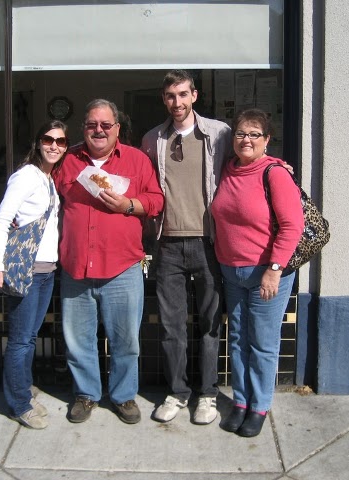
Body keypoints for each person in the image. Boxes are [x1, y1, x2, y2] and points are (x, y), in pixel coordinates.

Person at [54, 99, 164, 425]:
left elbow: (156, 201)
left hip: (122, 268)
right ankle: (86, 394)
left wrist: (128, 205)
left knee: (126, 341)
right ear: (83, 128)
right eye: (92, 125)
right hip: (76, 267)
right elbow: (42, 187)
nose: (98, 130)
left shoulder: (137, 159)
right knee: (78, 341)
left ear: (117, 128)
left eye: (105, 125)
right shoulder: (67, 159)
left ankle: (123, 396)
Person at [141, 70, 232, 425]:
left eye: (182, 94)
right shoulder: (153, 139)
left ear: (194, 95)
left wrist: (274, 164)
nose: (176, 102)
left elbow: (243, 166)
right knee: (172, 326)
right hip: (168, 244)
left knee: (210, 324)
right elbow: (145, 186)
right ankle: (177, 392)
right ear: (163, 99)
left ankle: (207, 395)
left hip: (208, 243)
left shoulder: (220, 133)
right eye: (170, 96)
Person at [211, 108, 304, 437]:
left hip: (266, 273)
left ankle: (260, 405)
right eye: (240, 133)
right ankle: (241, 401)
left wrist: (274, 270)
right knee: (238, 340)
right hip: (231, 272)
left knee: (262, 344)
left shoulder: (275, 173)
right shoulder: (227, 169)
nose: (246, 140)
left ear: (267, 140)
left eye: (254, 134)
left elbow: (293, 226)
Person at [0, 120, 68, 429]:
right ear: (38, 142)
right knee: (21, 340)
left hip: (47, 270)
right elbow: (2, 219)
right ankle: (19, 404)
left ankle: (23, 390)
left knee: (30, 337)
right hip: (27, 271)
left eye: (61, 141)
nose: (54, 145)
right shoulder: (26, 176)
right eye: (48, 139)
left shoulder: (48, 178)